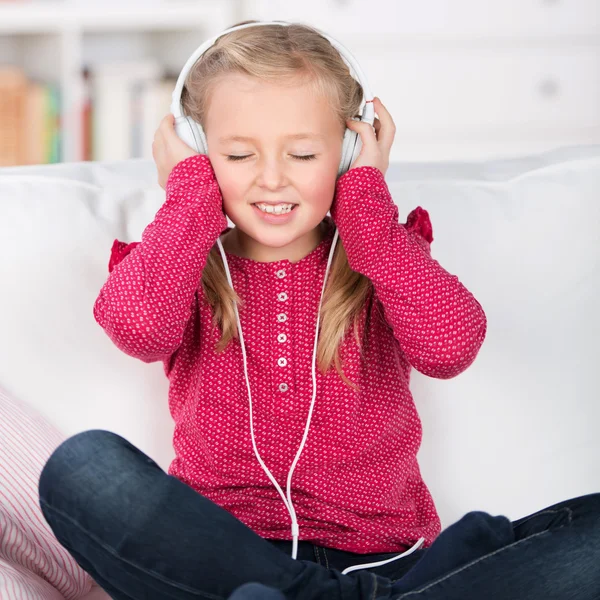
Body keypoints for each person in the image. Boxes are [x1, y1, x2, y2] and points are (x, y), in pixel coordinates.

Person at [37, 20, 600, 600]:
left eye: (303, 153)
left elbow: (451, 347)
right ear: (201, 151)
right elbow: (137, 328)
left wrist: (369, 216)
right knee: (82, 468)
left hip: (390, 560)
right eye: (237, 154)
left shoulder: (382, 254)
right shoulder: (182, 262)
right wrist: (188, 199)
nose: (272, 177)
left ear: (350, 150)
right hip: (229, 560)